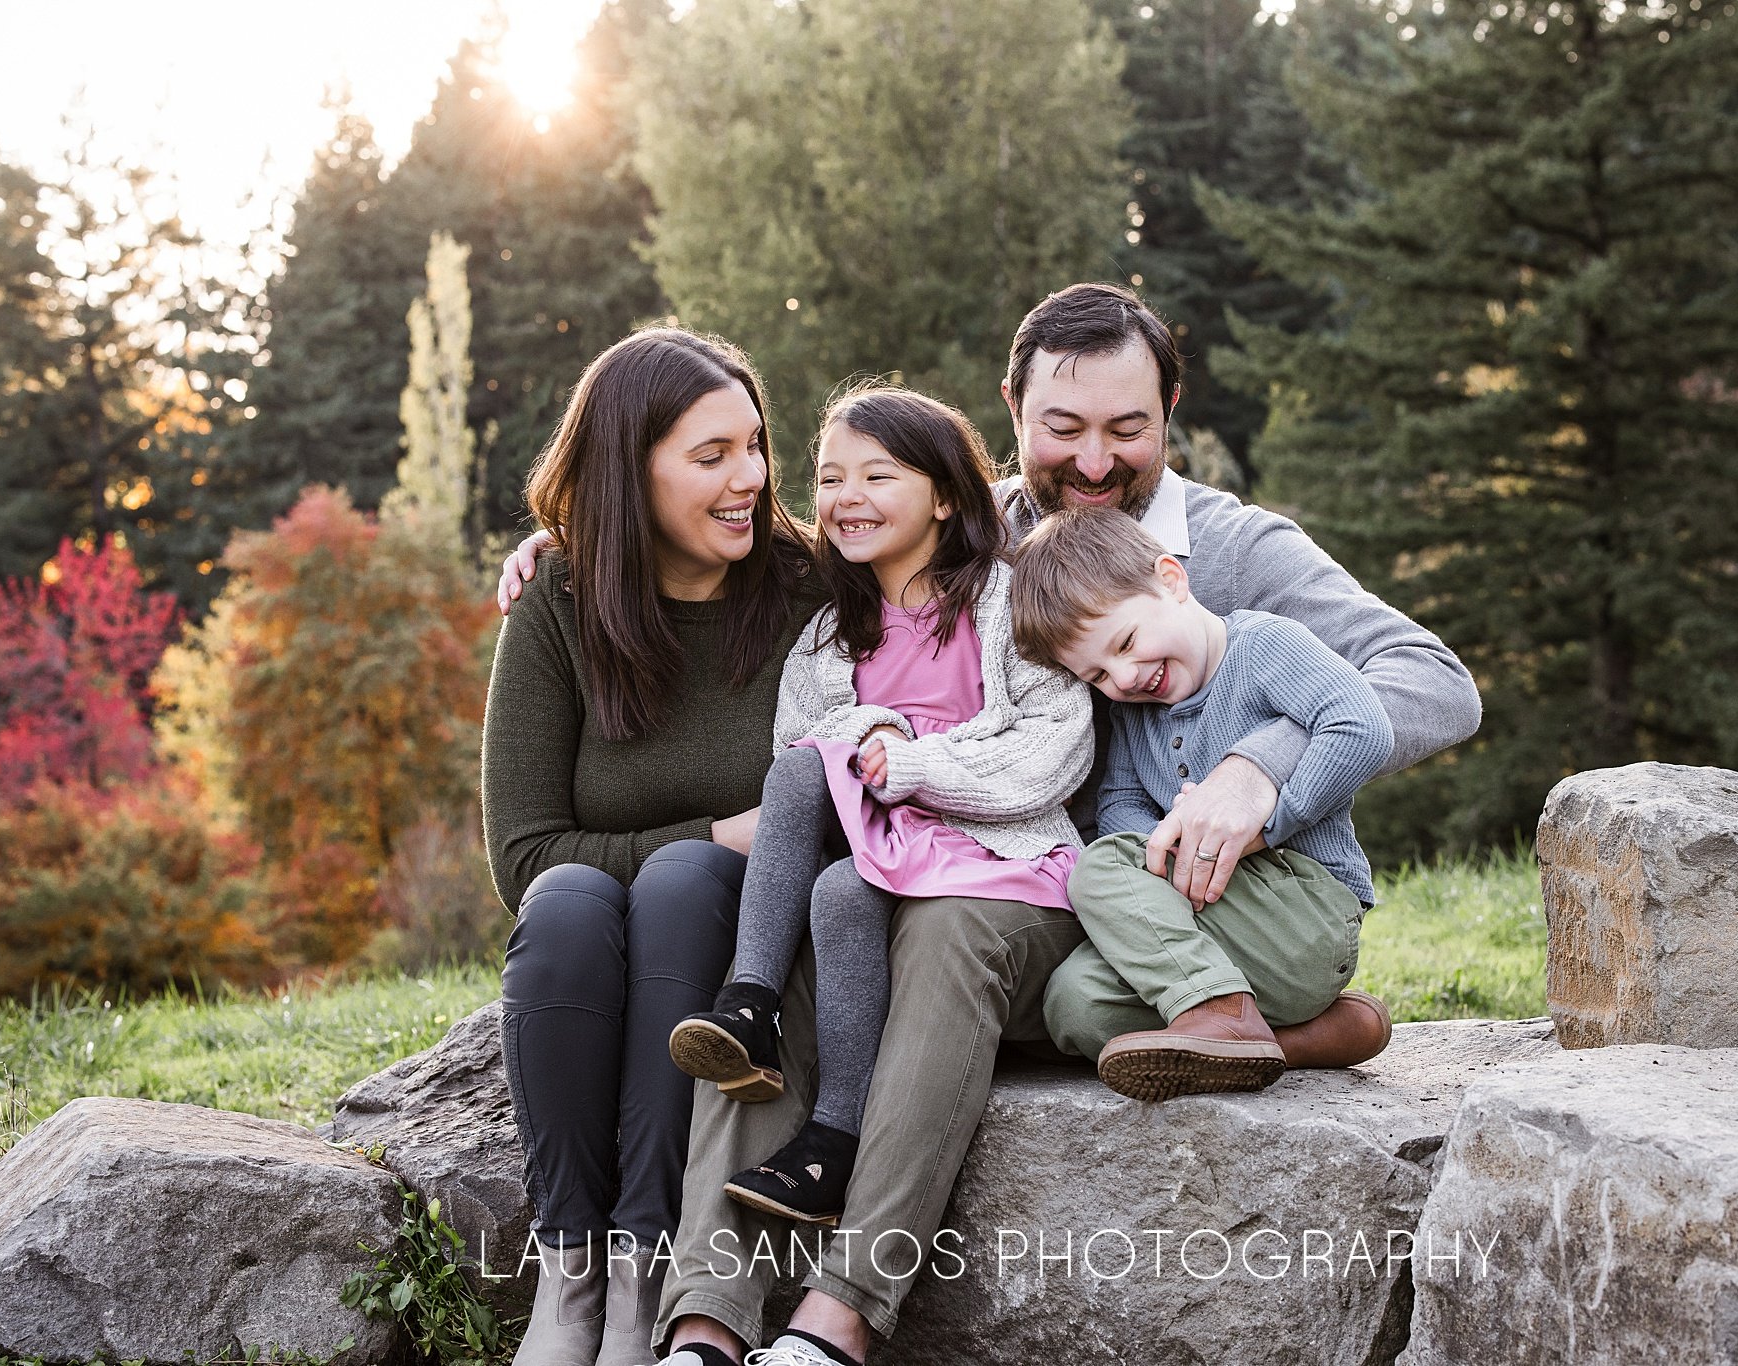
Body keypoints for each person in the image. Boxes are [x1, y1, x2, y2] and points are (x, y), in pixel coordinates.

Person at [499, 284, 1480, 1366]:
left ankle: (836, 1321)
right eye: (1062, 429)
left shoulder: (1232, 548)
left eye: (1129, 430)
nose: (1096, 462)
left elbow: (1430, 681)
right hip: (971, 861)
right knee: (806, 940)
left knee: (945, 933)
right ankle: (699, 1324)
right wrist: (576, 549)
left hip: (1075, 881)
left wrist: (1258, 769)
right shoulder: (961, 515)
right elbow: (773, 553)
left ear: (1172, 412)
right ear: (1010, 408)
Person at [666, 385, 1092, 1241]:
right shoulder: (829, 634)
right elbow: (804, 744)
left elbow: (1058, 743)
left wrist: (915, 762)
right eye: (829, 479)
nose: (846, 498)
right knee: (829, 878)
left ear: (943, 495)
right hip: (884, 849)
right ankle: (804, 1090)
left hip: (996, 848)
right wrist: (874, 732)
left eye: (877, 476)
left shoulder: (1010, 603)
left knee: (808, 795)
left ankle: (781, 1048)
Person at [482, 326, 818, 1366]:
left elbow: (940, 522)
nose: (749, 479)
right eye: (710, 455)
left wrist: (712, 851)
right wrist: (719, 830)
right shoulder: (560, 602)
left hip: (760, 942)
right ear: (630, 470)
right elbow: (524, 854)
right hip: (596, 927)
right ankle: (569, 1274)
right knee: (571, 903)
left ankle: (644, 1277)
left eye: (754, 446)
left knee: (677, 880)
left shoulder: (813, 587)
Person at [1012, 505, 1396, 1101]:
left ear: (1171, 580)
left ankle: (1221, 1011)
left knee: (1100, 867)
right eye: (1097, 675)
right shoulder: (1134, 711)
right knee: (1075, 1003)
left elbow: (1359, 724)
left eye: (1127, 641)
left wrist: (1262, 827)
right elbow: (1119, 805)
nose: (1124, 677)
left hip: (1303, 911)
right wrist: (1169, 852)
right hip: (1212, 923)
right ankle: (1299, 1040)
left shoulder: (1264, 645)